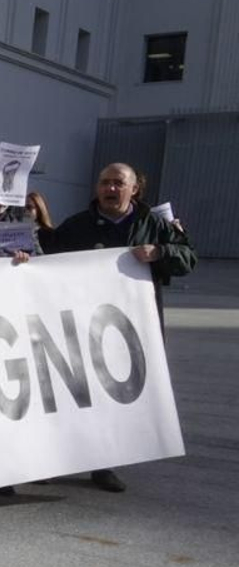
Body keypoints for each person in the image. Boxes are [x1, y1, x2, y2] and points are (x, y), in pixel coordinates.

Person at [36, 162, 197, 492]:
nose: (110, 189)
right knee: (73, 395)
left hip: (131, 327)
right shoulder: (77, 225)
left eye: (118, 183)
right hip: (79, 326)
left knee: (112, 399)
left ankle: (103, 464)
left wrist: (161, 251)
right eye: (104, 183)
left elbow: (188, 258)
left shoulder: (155, 224)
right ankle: (56, 459)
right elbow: (47, 261)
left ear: (134, 189)